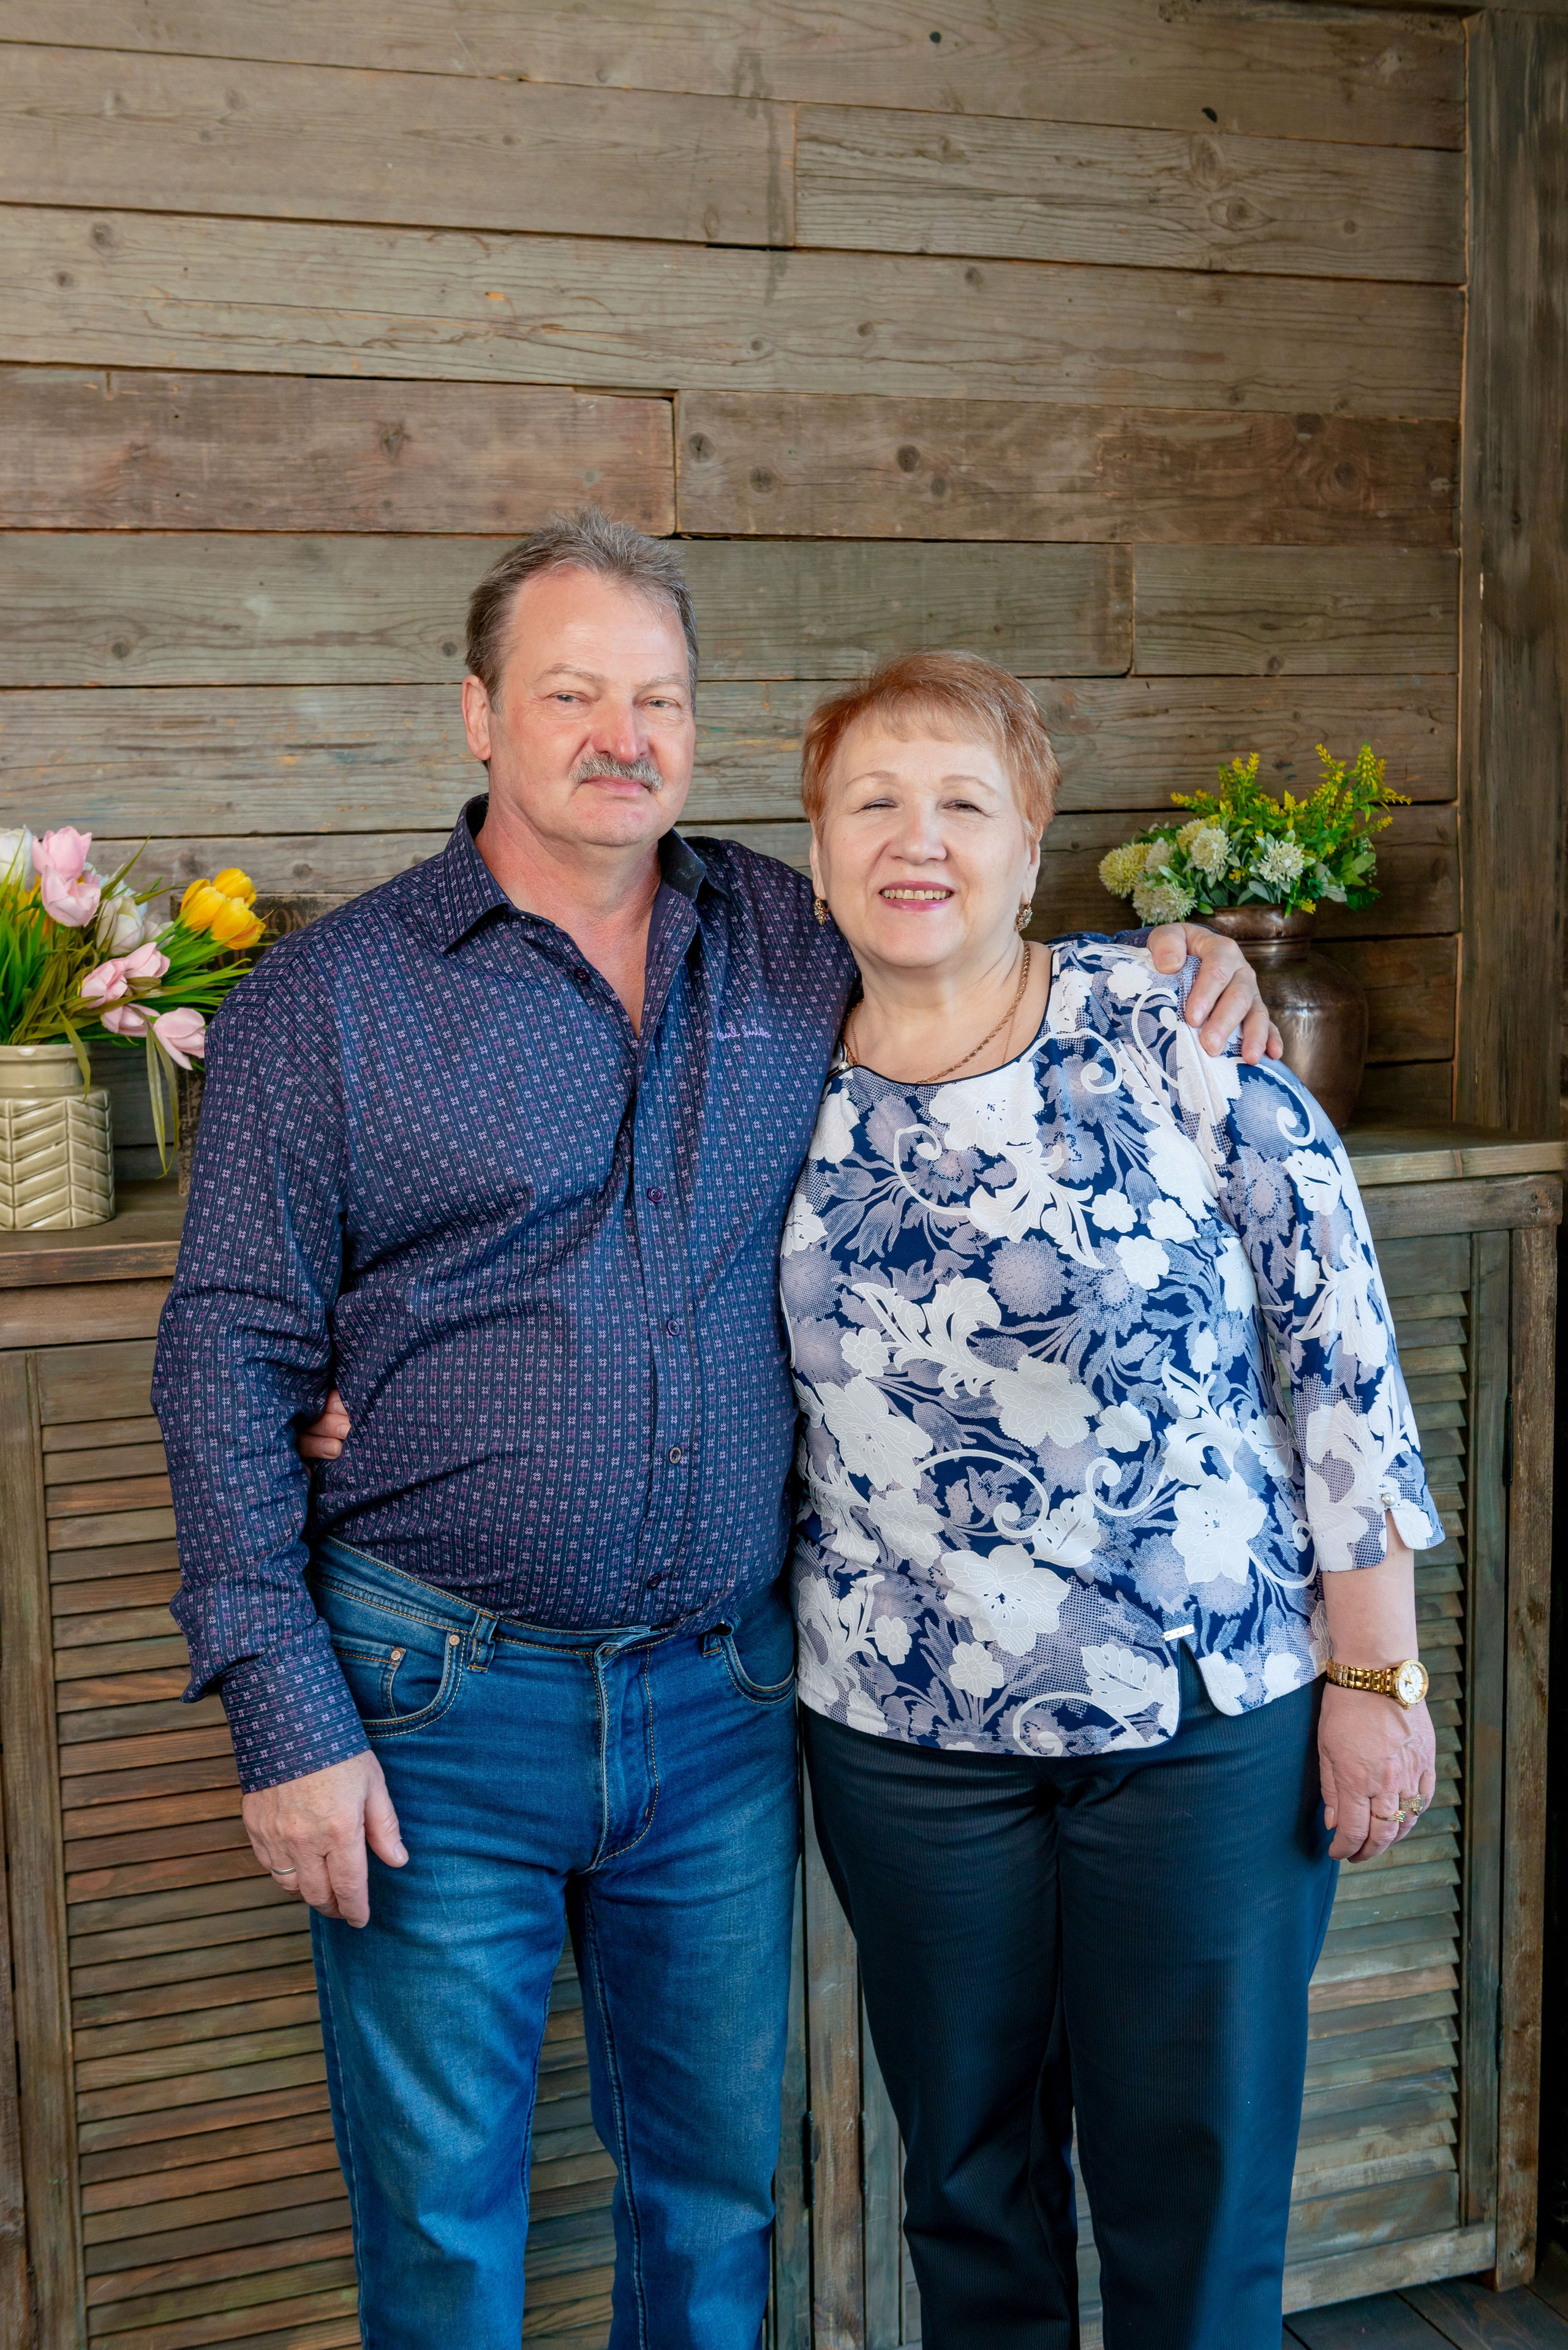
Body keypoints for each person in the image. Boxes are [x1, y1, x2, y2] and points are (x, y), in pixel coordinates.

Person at [153, 511, 1276, 2350]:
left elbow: (972, 931)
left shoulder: (784, 928)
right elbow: (228, 1355)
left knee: (713, 2206)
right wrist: (283, 1714)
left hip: (725, 1705)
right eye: (572, 689)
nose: (621, 731)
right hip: (433, 1708)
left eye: (656, 695)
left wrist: (1184, 959)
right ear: (476, 716)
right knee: (443, 2227)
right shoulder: (327, 1001)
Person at [782, 652, 1443, 2350]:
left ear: (1032, 834)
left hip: (1204, 1724)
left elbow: (1339, 1355)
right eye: (874, 801)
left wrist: (1375, 1678)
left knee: (1193, 2204)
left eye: (960, 802)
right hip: (907, 1737)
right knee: (970, 2194)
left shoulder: (1171, 1024)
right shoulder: (763, 1065)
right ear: (816, 842)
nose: (914, 840)